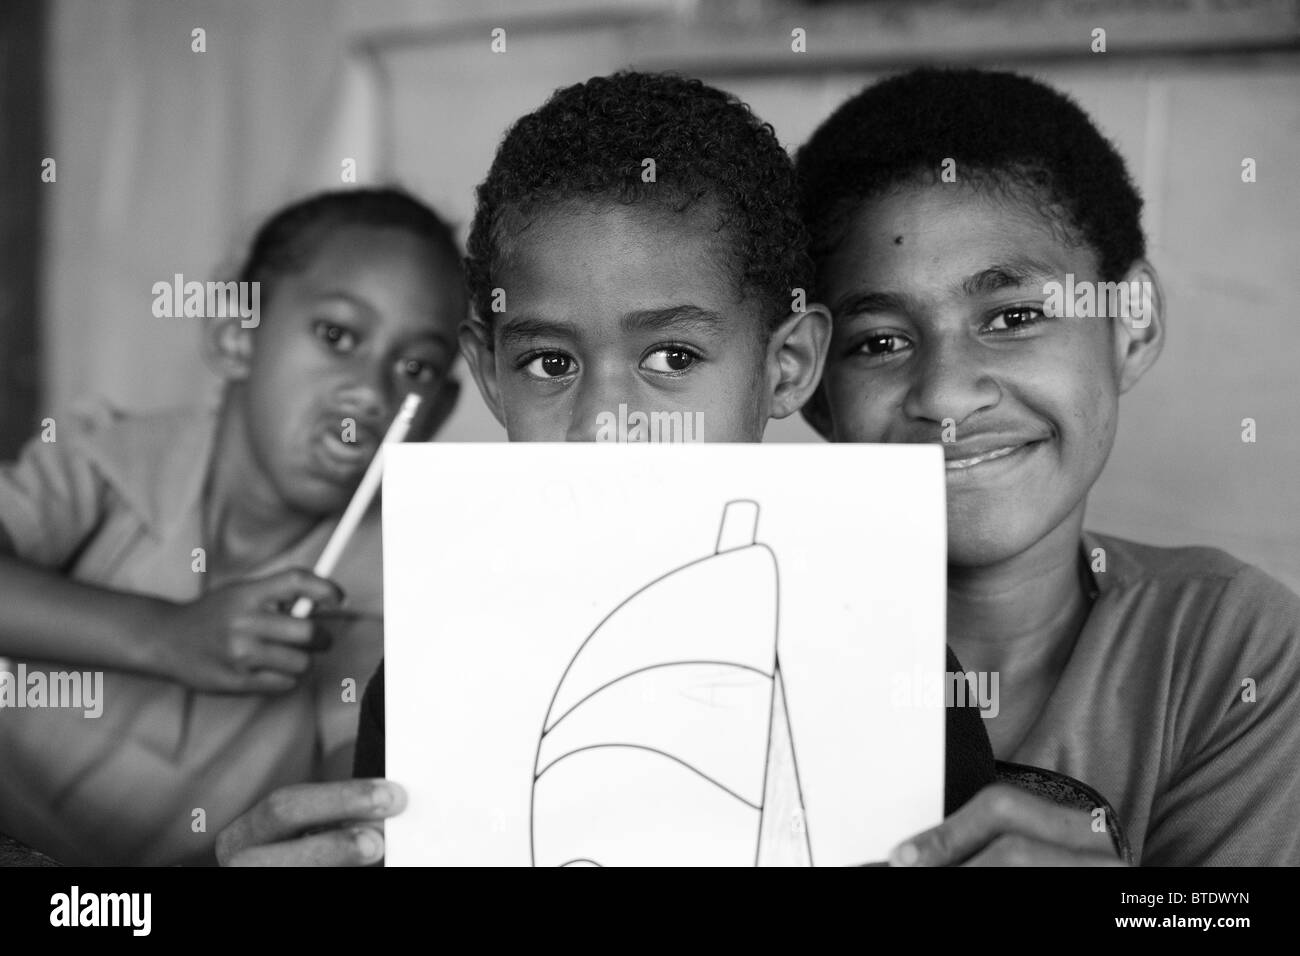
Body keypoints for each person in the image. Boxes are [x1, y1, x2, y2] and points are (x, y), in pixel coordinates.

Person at [217, 72, 1013, 866]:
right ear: (490, 376)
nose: (606, 424)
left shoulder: (892, 665)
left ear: (788, 365)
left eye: (672, 356)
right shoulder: (434, 676)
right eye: (548, 361)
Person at [796, 67, 1300, 865]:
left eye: (1014, 316)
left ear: (1130, 326)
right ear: (814, 388)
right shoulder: (748, 646)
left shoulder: (1229, 646)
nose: (947, 395)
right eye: (881, 342)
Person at [0, 188, 464, 865]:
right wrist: (165, 635)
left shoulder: (393, 583)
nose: (372, 391)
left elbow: (359, 786)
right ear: (236, 335)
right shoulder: (108, 462)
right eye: (338, 336)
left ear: (436, 413)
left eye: (415, 367)